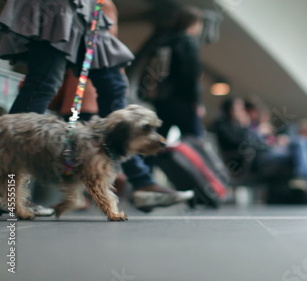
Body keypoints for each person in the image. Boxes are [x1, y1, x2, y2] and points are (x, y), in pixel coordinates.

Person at [0, 0, 193, 214]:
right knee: (44, 82)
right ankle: (7, 194)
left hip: (87, 8)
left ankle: (141, 182)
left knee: (114, 85)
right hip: (59, 6)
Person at [154, 5, 205, 138]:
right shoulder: (189, 42)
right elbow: (190, 75)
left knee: (156, 139)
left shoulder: (165, 40)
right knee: (195, 141)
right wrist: (196, 102)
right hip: (182, 101)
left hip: (162, 98)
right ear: (194, 23)